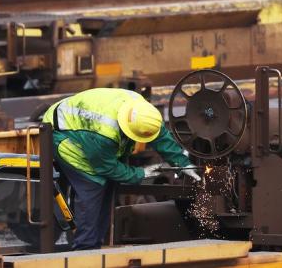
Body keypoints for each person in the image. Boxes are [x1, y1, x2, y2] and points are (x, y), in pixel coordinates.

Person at [41, 88, 199, 250]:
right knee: (93, 183)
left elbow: (159, 135)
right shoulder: (104, 134)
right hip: (62, 131)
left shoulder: (142, 111)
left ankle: (97, 244)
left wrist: (182, 163)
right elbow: (105, 166)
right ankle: (85, 248)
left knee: (109, 184)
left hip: (87, 127)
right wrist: (140, 173)